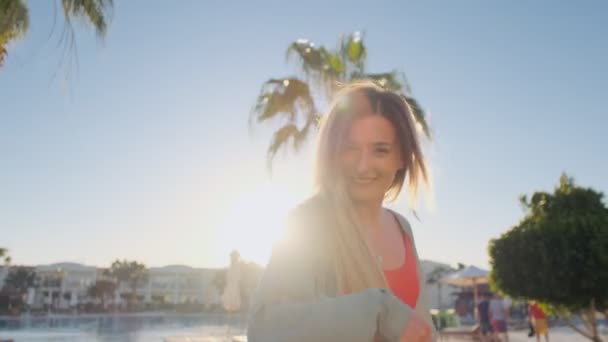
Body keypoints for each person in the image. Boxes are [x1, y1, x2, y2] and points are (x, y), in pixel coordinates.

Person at [247, 81, 434, 342]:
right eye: (350, 149)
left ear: (402, 156)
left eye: (380, 150)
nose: (363, 166)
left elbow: (421, 328)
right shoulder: (308, 223)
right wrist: (379, 310)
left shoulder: (402, 228)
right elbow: (265, 328)